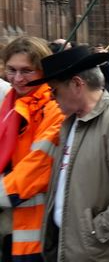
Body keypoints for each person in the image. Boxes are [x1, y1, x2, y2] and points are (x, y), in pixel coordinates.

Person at [36, 46, 109, 261]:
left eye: (54, 90)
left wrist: (96, 232)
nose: (52, 98)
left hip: (100, 252)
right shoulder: (71, 122)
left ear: (77, 84)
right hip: (70, 246)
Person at [0, 37, 64, 261]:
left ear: (42, 70)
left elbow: (37, 167)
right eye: (11, 70)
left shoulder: (54, 106)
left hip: (38, 229)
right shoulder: (8, 102)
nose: (17, 79)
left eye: (27, 71)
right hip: (10, 223)